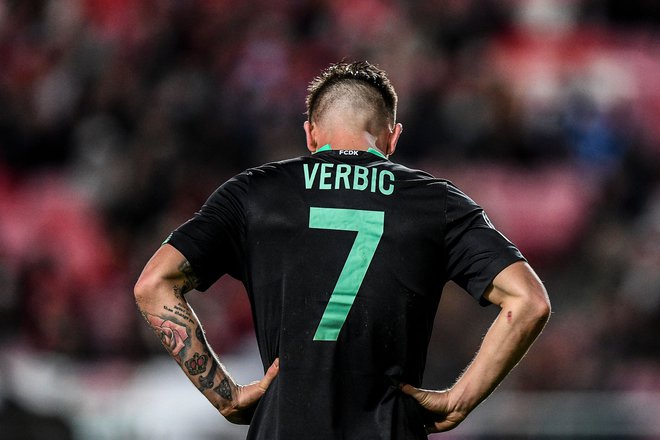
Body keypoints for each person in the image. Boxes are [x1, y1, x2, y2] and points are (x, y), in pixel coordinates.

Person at [134, 61, 551, 439]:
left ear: (311, 133)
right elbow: (528, 301)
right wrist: (459, 400)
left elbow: (154, 284)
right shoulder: (436, 202)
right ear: (392, 137)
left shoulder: (253, 194)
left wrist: (223, 393)